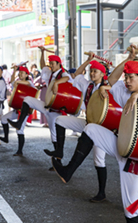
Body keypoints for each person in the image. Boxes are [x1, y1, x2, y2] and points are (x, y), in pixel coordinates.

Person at [52, 47, 138, 223]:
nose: (127, 81)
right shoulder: (123, 91)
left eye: (131, 77)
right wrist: (128, 59)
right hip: (122, 145)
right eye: (127, 77)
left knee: (131, 210)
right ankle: (68, 171)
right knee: (91, 129)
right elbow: (112, 79)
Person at [47, 55, 108, 202]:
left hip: (101, 128)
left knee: (98, 161)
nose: (93, 73)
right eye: (91, 71)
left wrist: (106, 88)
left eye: (96, 71)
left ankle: (101, 193)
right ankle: (60, 152)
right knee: (60, 120)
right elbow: (75, 75)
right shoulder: (88, 86)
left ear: (102, 74)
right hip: (88, 123)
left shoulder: (106, 88)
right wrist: (87, 61)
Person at [7, 46, 71, 169]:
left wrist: (57, 83)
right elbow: (43, 66)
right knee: (28, 100)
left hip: (55, 110)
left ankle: (57, 162)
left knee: (54, 136)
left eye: (53, 63)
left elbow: (67, 78)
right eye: (50, 63)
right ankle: (20, 123)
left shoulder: (62, 73)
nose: (51, 65)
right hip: (46, 105)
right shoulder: (50, 74)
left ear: (59, 64)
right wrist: (42, 53)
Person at [0, 66, 34, 156]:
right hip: (17, 109)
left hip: (24, 111)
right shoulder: (18, 81)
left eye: (22, 73)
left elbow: (21, 83)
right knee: (3, 119)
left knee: (20, 130)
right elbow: (12, 81)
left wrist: (16, 81)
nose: (20, 74)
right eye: (20, 73)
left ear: (27, 75)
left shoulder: (29, 82)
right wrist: (14, 71)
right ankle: (6, 137)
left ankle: (20, 151)